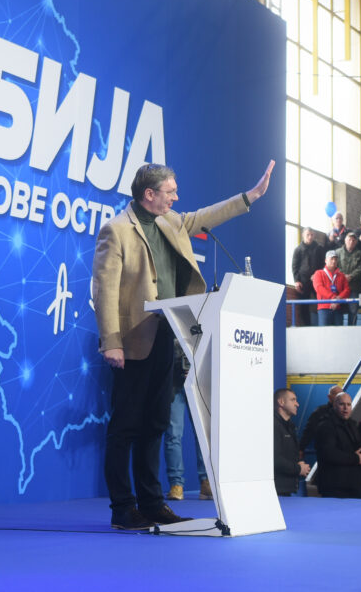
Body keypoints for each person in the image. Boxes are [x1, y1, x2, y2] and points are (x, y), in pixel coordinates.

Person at [92, 160, 274, 530]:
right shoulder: (116, 230)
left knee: (156, 423)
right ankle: (123, 509)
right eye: (170, 191)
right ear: (149, 194)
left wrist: (250, 197)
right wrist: (111, 342)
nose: (177, 197)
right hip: (132, 341)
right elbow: (105, 290)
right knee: (126, 426)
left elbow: (208, 214)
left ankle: (153, 503)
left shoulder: (172, 221)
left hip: (169, 336)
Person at [164, 343, 209, 502]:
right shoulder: (167, 321)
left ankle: (206, 482)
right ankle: (176, 485)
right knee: (173, 435)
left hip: (198, 382)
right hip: (173, 384)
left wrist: (198, 367)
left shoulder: (204, 322)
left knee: (203, 434)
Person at [315, 392, 361, 498]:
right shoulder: (325, 426)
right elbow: (329, 454)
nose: (346, 408)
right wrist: (356, 458)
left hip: (352, 484)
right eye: (342, 404)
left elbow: (358, 449)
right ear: (334, 405)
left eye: (349, 404)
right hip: (334, 486)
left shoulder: (352, 424)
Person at [274, 388, 310, 496]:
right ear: (281, 402)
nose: (297, 404)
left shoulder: (290, 426)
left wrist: (299, 462)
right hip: (276, 490)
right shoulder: (273, 426)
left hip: (286, 489)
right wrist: (298, 468)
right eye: (293, 400)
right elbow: (274, 459)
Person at [291, 227, 325, 326]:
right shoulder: (298, 249)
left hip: (317, 280)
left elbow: (323, 264)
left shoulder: (319, 248)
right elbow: (294, 266)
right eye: (308, 235)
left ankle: (322, 323)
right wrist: (296, 280)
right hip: (303, 280)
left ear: (314, 236)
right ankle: (306, 325)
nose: (310, 237)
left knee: (322, 300)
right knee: (303, 304)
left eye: (311, 235)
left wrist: (317, 274)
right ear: (303, 235)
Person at [299, 384, 341, 457]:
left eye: (341, 394)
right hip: (326, 453)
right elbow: (309, 430)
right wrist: (301, 448)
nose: (339, 397)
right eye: (337, 394)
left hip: (342, 452)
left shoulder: (344, 412)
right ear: (329, 397)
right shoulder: (320, 412)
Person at [313, 250, 350, 326]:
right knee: (324, 334)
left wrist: (338, 299)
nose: (334, 261)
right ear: (326, 260)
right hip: (324, 308)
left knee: (338, 334)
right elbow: (319, 288)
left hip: (338, 308)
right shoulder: (318, 273)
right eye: (331, 259)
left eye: (336, 259)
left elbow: (347, 290)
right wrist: (333, 297)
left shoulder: (341, 275)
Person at [336, 232, 361, 325]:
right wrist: (343, 276)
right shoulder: (338, 252)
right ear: (345, 240)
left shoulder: (359, 253)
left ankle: (352, 329)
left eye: (354, 240)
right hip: (340, 287)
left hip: (354, 287)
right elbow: (334, 267)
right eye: (349, 239)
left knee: (353, 310)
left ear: (356, 242)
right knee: (338, 309)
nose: (351, 241)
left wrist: (351, 276)